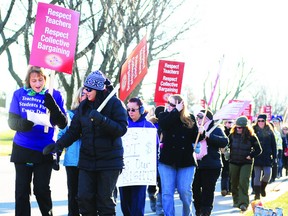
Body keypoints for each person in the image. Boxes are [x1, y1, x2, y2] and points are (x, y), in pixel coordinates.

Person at [43, 70, 128, 215]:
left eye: (89, 89)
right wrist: (59, 145)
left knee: (104, 201)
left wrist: (102, 120)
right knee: (83, 198)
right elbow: (74, 131)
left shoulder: (115, 104)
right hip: (87, 160)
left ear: (99, 89)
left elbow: (121, 129)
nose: (86, 92)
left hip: (109, 161)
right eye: (85, 88)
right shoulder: (83, 107)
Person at [8, 65, 67, 216]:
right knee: (22, 191)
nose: (38, 83)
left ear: (45, 79)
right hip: (22, 148)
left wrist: (53, 107)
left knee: (41, 189)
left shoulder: (55, 94)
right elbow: (12, 121)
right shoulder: (19, 94)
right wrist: (22, 124)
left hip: (44, 149)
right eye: (34, 80)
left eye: (40, 79)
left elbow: (63, 123)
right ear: (28, 81)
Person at [157, 94, 199, 216]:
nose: (168, 106)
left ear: (181, 106)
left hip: (186, 161)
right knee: (167, 192)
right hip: (167, 161)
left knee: (184, 191)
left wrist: (202, 132)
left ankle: (188, 213)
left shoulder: (189, 118)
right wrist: (175, 110)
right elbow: (165, 125)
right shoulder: (164, 116)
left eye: (172, 104)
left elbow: (195, 137)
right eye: (168, 103)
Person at [119, 97, 156, 216]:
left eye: (133, 110)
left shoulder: (149, 126)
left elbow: (155, 149)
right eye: (128, 109)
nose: (130, 112)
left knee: (138, 204)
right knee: (125, 205)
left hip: (141, 172)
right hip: (124, 171)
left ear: (141, 110)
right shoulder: (122, 124)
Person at [192, 109, 229, 216]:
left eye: (200, 117)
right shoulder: (194, 129)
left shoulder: (215, 129)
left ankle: (205, 212)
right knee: (195, 190)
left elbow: (224, 141)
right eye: (197, 117)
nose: (198, 119)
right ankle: (198, 210)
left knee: (207, 191)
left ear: (207, 118)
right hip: (196, 164)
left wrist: (208, 135)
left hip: (211, 166)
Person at [57, 87, 87, 216]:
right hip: (72, 161)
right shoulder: (70, 115)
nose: (85, 97)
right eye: (83, 94)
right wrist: (57, 152)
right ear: (78, 97)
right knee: (73, 194)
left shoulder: (95, 113)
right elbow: (62, 133)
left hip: (89, 161)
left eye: (88, 94)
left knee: (86, 195)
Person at [228, 116, 262, 212]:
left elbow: (259, 150)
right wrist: (225, 151)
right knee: (234, 182)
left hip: (246, 163)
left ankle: (243, 203)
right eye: (237, 127)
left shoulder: (251, 137)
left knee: (243, 181)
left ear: (246, 128)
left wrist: (251, 155)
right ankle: (236, 200)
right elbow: (226, 146)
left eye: (241, 128)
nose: (239, 129)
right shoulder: (231, 136)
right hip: (233, 162)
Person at [252, 114, 277, 200]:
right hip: (257, 156)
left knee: (267, 174)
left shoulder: (270, 131)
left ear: (265, 121)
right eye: (259, 120)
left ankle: (262, 187)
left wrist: (275, 157)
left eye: (262, 120)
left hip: (267, 157)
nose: (260, 122)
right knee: (257, 176)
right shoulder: (253, 130)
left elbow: (274, 145)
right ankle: (257, 194)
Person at [148, 105, 165, 215]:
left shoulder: (151, 124)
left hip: (152, 158)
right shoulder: (158, 126)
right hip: (158, 158)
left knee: (153, 182)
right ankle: (158, 206)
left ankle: (153, 199)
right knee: (161, 183)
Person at [220, 119, 234, 196]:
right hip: (224, 154)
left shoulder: (234, 131)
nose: (228, 124)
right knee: (225, 171)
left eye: (230, 122)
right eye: (226, 122)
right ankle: (224, 189)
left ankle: (230, 189)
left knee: (231, 172)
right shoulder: (222, 131)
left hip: (233, 154)